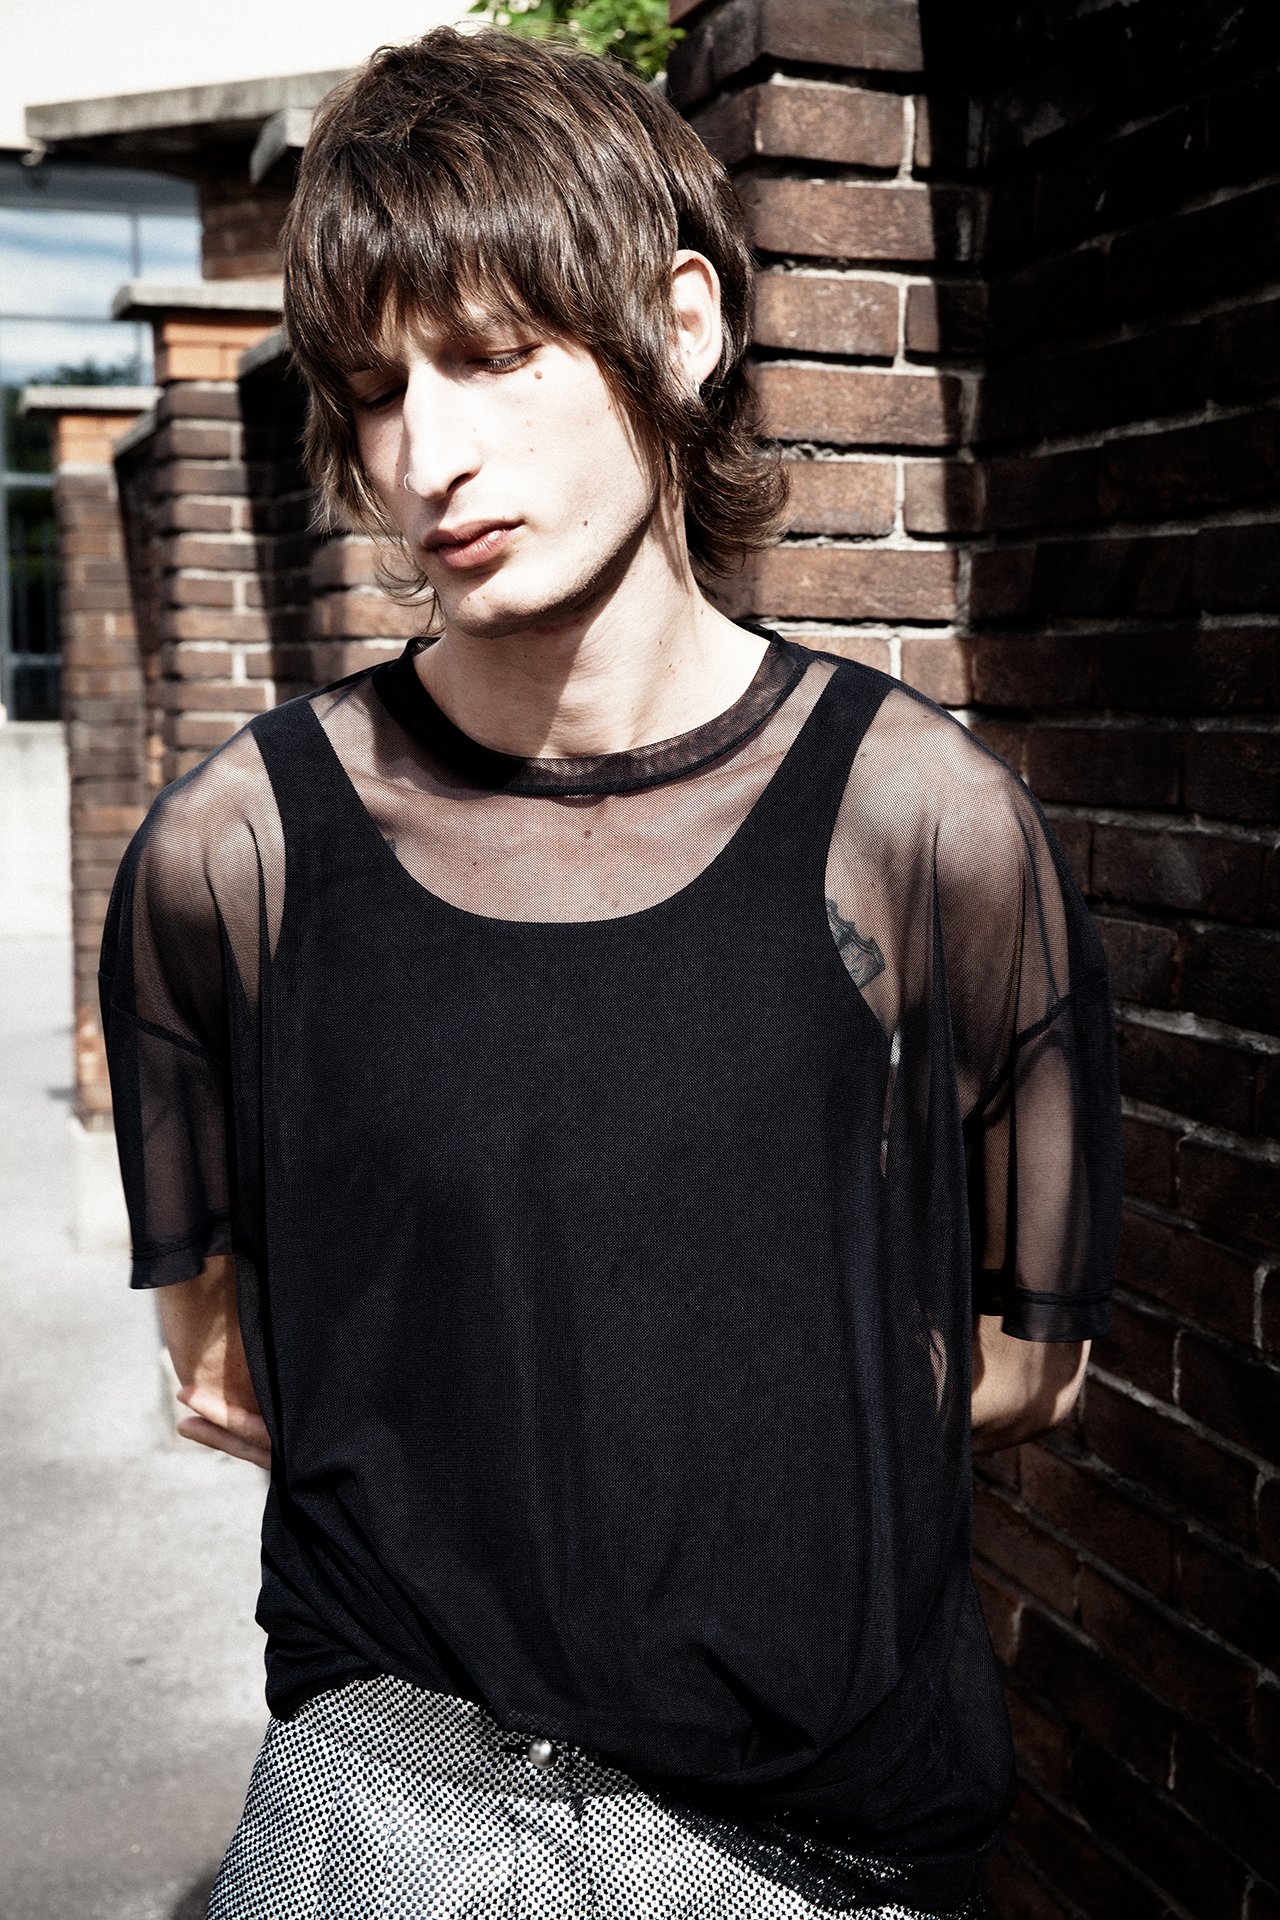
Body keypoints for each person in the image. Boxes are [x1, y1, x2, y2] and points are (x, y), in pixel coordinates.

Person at [98, 25, 1122, 1920]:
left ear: (678, 324)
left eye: (495, 354)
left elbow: (1021, 1367)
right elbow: (226, 1372)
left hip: (824, 1842)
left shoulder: (928, 831)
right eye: (376, 389)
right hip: (385, 1823)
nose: (428, 454)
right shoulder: (232, 857)